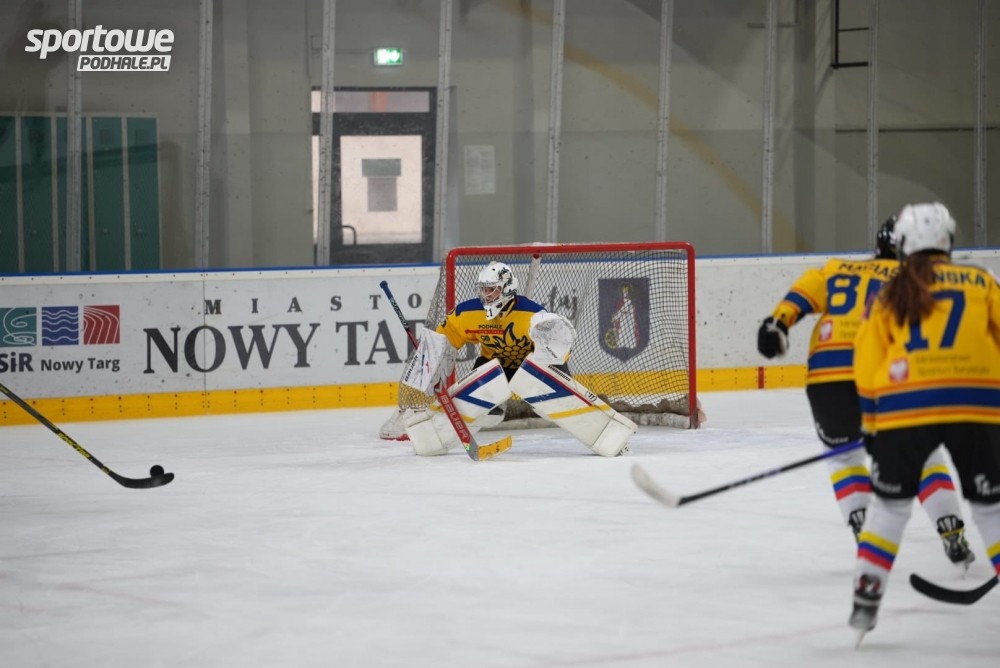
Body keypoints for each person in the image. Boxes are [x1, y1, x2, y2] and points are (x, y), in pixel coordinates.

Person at [757, 217, 973, 566]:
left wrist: (777, 324)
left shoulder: (837, 269)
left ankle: (864, 527)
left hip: (828, 380)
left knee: (842, 455)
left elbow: (799, 297)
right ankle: (951, 530)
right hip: (887, 380)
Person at [848, 202, 1000, 641]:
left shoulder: (889, 292)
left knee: (890, 508)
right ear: (948, 239)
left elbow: (867, 362)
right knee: (991, 508)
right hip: (976, 401)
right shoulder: (981, 280)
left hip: (905, 404)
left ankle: (866, 595)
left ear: (903, 244)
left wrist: (872, 424)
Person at [402, 261, 637, 457]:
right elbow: (442, 339)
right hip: (495, 367)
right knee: (483, 407)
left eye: (492, 289)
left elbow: (558, 350)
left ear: (507, 289)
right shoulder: (468, 313)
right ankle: (429, 440)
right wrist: (429, 367)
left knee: (552, 404)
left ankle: (610, 436)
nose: (486, 295)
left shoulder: (531, 314)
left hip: (533, 367)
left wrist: (554, 370)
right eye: (483, 289)